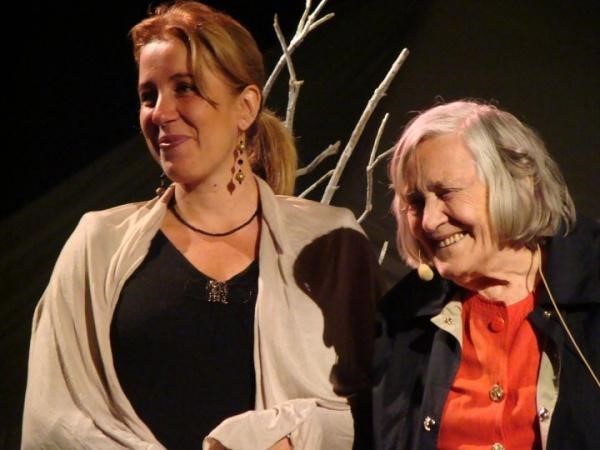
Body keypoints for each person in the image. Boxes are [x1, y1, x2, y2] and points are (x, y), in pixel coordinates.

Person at [21, 2, 385, 449]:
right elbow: (54, 418)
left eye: (185, 88)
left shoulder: (330, 244)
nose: (160, 112)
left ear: (245, 107)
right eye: (148, 95)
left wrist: (293, 433)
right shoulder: (98, 244)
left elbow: (385, 407)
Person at [372, 100, 600, 449]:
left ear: (518, 183)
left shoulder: (591, 284)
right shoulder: (401, 321)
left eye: (447, 193)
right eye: (415, 202)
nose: (429, 221)